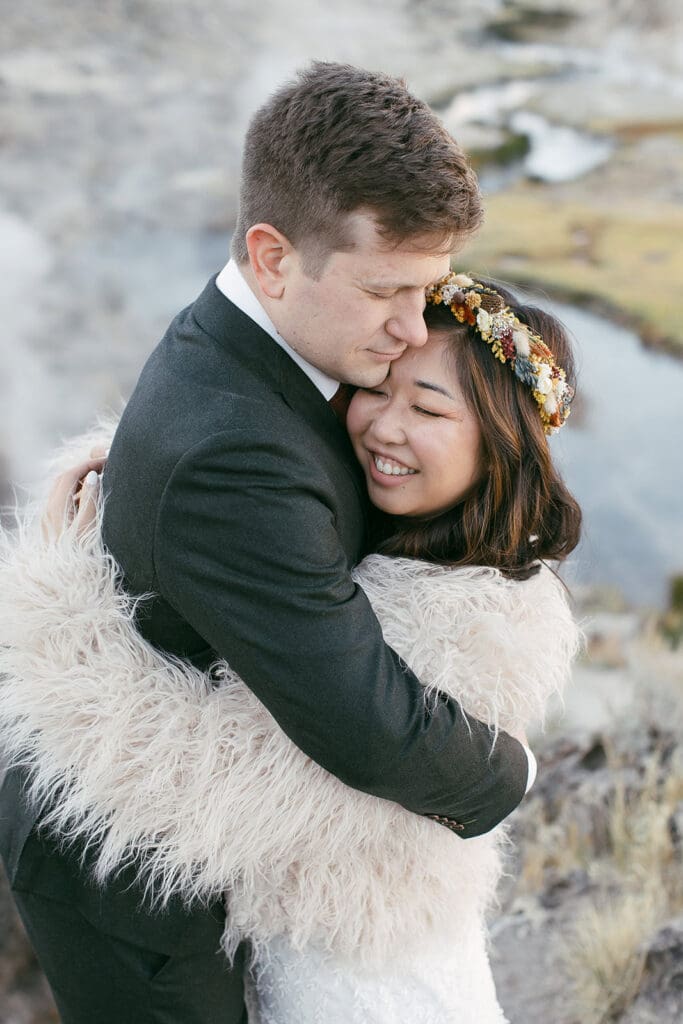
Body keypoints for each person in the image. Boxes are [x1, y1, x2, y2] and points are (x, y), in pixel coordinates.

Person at [0, 63, 539, 1023]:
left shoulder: (275, 345)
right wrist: (514, 773)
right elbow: (366, 721)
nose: (412, 328)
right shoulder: (232, 458)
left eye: (428, 289)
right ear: (273, 257)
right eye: (385, 290)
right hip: (132, 890)